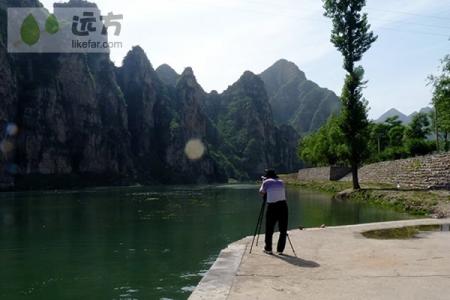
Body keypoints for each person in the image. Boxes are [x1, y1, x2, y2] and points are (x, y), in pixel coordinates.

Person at [259, 169, 288, 255]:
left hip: (272, 207)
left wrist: (263, 182)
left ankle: (268, 249)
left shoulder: (266, 182)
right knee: (283, 229)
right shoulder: (281, 182)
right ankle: (280, 250)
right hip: (283, 206)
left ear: (267, 176)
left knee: (269, 228)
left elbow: (261, 192)